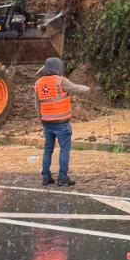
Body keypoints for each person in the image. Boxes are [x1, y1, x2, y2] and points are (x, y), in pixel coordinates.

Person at [35, 57, 90, 187]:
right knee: (64, 150)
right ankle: (62, 177)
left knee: (48, 149)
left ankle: (46, 177)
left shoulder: (38, 83)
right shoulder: (60, 81)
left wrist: (41, 119)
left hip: (47, 122)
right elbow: (76, 88)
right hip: (61, 123)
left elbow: (37, 105)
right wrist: (87, 89)